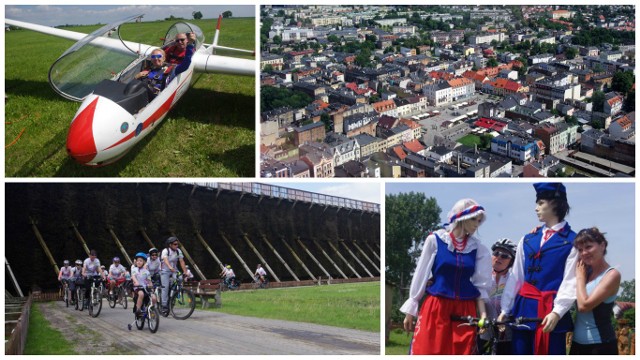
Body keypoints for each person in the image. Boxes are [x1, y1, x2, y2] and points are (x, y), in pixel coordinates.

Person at [400, 198, 491, 355]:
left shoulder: (479, 249)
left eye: (479, 220)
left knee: (461, 352)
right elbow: (421, 275)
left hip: (465, 309)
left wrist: (482, 314)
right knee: (429, 350)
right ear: (461, 218)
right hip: (437, 306)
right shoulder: (435, 240)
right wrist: (411, 308)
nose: (477, 224)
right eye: (473, 219)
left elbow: (480, 285)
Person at [499, 182, 578, 355]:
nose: (536, 208)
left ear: (556, 204)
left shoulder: (572, 242)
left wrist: (558, 312)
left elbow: (570, 282)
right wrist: (505, 308)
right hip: (523, 311)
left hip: (550, 312)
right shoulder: (527, 240)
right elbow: (516, 277)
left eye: (540, 203)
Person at [570, 227, 621, 355]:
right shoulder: (585, 271)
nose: (584, 253)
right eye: (580, 250)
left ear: (602, 245)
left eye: (588, 247)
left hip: (600, 346)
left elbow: (584, 306)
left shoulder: (612, 275)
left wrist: (580, 278)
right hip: (576, 344)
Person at [478, 238, 517, 355]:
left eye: (504, 256)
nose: (499, 257)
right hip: (483, 328)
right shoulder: (482, 276)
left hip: (506, 330)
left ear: (511, 262)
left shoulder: (514, 280)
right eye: (496, 253)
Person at [160, 237, 188, 313]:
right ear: (170, 245)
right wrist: (170, 267)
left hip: (174, 270)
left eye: (177, 244)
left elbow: (182, 261)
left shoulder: (178, 251)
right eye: (175, 244)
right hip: (165, 271)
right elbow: (165, 260)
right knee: (165, 287)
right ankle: (164, 305)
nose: (177, 246)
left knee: (180, 279)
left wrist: (185, 271)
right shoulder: (165, 251)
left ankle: (174, 294)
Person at [131, 252, 156, 317]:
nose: (139, 262)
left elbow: (149, 281)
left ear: (144, 262)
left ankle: (152, 310)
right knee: (141, 294)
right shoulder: (134, 269)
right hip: (138, 287)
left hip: (145, 287)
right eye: (137, 261)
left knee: (154, 297)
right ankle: (138, 309)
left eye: (141, 261)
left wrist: (152, 289)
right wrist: (136, 282)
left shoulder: (147, 272)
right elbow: (133, 277)